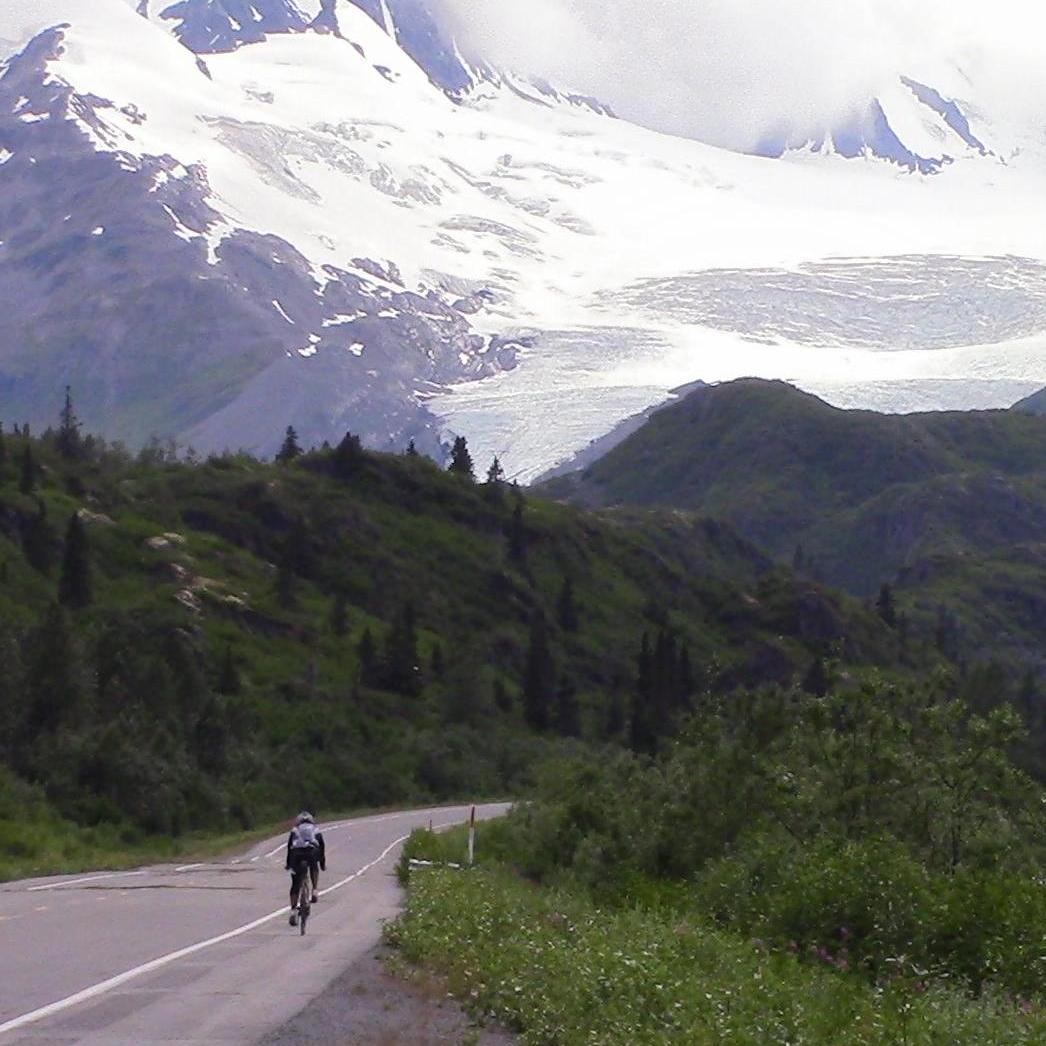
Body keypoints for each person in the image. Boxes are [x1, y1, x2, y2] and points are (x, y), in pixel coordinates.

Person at [285, 811, 326, 926]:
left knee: (295, 883)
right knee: (314, 866)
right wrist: (322, 863)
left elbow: (289, 847)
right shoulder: (315, 829)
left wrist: (289, 864)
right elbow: (322, 846)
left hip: (296, 854)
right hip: (311, 852)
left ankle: (293, 910)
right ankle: (315, 891)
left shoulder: (295, 830)